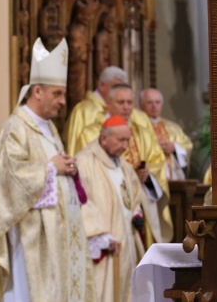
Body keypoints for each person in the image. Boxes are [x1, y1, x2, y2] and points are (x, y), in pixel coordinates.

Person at [0, 38, 96, 302]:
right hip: (32, 243)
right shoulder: (15, 128)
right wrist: (50, 168)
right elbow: (8, 183)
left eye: (63, 94)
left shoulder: (50, 129)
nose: (62, 101)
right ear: (37, 91)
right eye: (57, 94)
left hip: (59, 239)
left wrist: (66, 169)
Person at [74, 84, 172, 247]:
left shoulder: (143, 131)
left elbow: (157, 162)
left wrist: (145, 177)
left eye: (129, 102)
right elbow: (83, 172)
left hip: (139, 200)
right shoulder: (90, 132)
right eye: (121, 102)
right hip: (103, 204)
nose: (126, 107)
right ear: (108, 103)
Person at [76, 115, 145, 302]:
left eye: (127, 140)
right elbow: (80, 201)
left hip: (127, 242)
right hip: (105, 244)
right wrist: (100, 235)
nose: (125, 146)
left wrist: (137, 212)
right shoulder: (84, 162)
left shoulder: (124, 166)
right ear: (104, 138)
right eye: (120, 140)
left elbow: (134, 197)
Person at [64, 66, 154, 156]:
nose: (126, 107)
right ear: (102, 85)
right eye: (116, 87)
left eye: (129, 102)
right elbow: (75, 147)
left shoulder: (138, 119)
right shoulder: (83, 110)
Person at [140, 88, 193, 180]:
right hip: (149, 180)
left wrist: (174, 148)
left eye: (157, 102)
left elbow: (187, 146)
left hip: (174, 180)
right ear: (141, 105)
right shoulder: (138, 127)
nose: (154, 106)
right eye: (149, 102)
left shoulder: (173, 128)